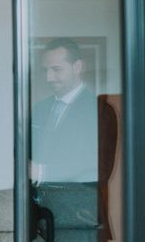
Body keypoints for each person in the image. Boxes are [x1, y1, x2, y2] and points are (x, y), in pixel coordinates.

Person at [31, 37, 98, 183]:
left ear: (77, 67)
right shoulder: (39, 108)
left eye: (56, 69)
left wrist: (41, 172)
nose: (48, 78)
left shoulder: (97, 110)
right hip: (37, 199)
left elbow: (92, 163)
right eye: (45, 70)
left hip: (77, 201)